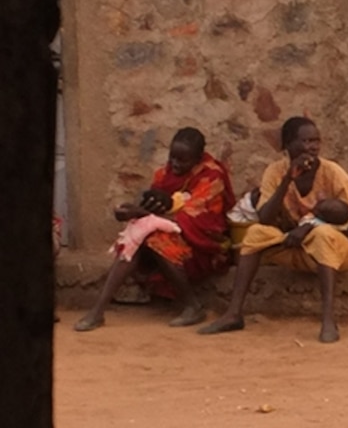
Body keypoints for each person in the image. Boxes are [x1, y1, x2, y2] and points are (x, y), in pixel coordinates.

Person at [200, 116, 348, 343]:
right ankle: (234, 313)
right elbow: (265, 218)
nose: (312, 147)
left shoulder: (332, 172)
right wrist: (288, 179)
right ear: (288, 145)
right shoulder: (275, 172)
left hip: (338, 251)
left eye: (316, 141)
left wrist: (310, 227)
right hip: (296, 246)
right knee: (255, 233)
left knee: (323, 234)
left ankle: (328, 319)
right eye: (305, 141)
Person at [73, 126, 232, 330]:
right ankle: (97, 311)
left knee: (155, 238)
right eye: (172, 157)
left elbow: (191, 220)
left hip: (206, 246)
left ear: (198, 158)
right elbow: (153, 208)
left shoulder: (211, 177)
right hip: (172, 235)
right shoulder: (165, 173)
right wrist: (132, 211)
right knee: (137, 239)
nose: (174, 164)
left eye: (182, 160)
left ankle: (193, 306)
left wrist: (141, 214)